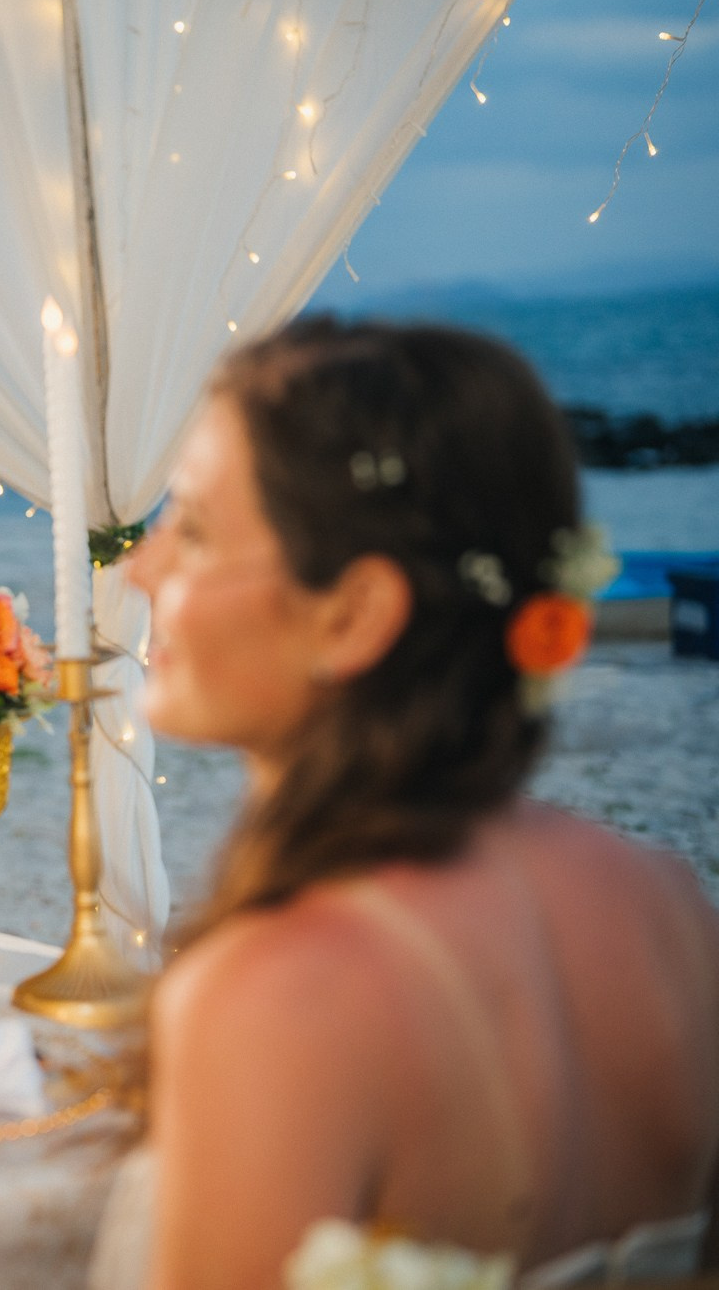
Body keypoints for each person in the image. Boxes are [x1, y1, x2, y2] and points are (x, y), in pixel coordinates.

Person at [91, 319, 718, 1287]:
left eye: (197, 531)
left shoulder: (272, 999)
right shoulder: (664, 904)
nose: (141, 566)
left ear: (351, 616)